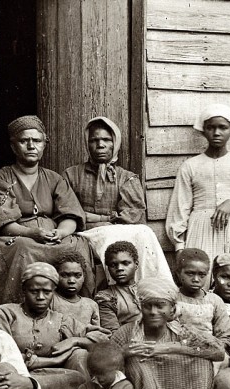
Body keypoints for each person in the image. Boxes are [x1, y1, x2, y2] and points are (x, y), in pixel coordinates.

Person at [0, 115, 98, 303]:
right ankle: (18, 307)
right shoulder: (3, 177)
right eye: (24, 141)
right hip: (19, 235)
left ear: (44, 144)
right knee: (23, 247)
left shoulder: (54, 178)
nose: (31, 146)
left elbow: (70, 214)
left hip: (51, 235)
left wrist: (60, 232)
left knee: (77, 245)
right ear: (13, 146)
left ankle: (77, 308)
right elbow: (4, 223)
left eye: (37, 141)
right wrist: (33, 233)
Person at [165, 104, 230, 308]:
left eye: (223, 127)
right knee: (200, 279)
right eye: (211, 127)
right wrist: (180, 247)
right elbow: (180, 207)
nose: (217, 132)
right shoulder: (190, 166)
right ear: (203, 130)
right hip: (200, 228)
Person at [110, 278, 225, 389]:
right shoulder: (126, 333)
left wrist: (168, 348)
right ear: (141, 307)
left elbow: (218, 352)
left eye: (160, 306)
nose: (153, 312)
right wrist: (123, 353)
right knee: (137, 364)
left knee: (202, 365)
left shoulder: (182, 331)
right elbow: (102, 363)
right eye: (148, 306)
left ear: (172, 308)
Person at [0, 263, 100, 389]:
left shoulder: (61, 319)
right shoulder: (6, 313)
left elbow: (102, 337)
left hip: (52, 377)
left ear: (53, 292)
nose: (40, 297)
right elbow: (1, 353)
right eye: (34, 291)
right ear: (23, 290)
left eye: (47, 292)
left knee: (80, 355)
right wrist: (54, 361)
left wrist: (74, 341)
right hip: (18, 375)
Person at [63, 116, 172, 284]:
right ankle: (117, 291)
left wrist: (102, 219)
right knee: (110, 238)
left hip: (116, 229)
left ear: (115, 143)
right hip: (85, 232)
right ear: (87, 143)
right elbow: (69, 211)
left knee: (145, 232)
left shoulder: (126, 178)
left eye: (106, 140)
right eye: (94, 140)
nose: (100, 145)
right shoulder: (72, 175)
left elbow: (133, 214)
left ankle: (156, 288)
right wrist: (102, 220)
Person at [173, 249, 230, 349]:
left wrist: (214, 347)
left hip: (209, 351)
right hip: (180, 350)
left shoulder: (214, 301)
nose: (196, 279)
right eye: (190, 273)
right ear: (179, 273)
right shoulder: (173, 299)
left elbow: (224, 336)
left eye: (201, 275)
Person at [94, 241, 142, 331]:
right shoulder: (106, 297)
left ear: (136, 264)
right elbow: (113, 332)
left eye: (125, 263)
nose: (119, 268)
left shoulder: (150, 289)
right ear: (108, 268)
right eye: (113, 265)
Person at [49, 252, 102, 328]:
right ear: (56, 276)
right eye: (65, 275)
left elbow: (97, 334)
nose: (71, 280)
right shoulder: (50, 300)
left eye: (77, 275)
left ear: (84, 276)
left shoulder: (91, 305)